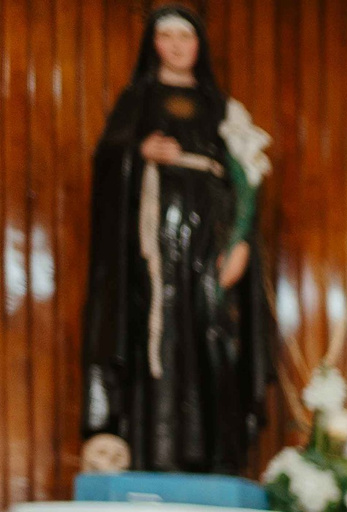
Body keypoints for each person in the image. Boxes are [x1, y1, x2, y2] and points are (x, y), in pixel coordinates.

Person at [80, 5, 273, 475]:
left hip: (212, 242)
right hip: (150, 252)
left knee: (214, 333)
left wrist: (241, 242)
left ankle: (218, 458)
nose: (176, 45)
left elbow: (245, 180)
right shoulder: (136, 100)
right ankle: (151, 456)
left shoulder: (222, 107)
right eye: (165, 36)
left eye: (185, 36)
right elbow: (106, 161)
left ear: (199, 46)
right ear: (154, 44)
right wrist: (137, 151)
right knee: (155, 338)